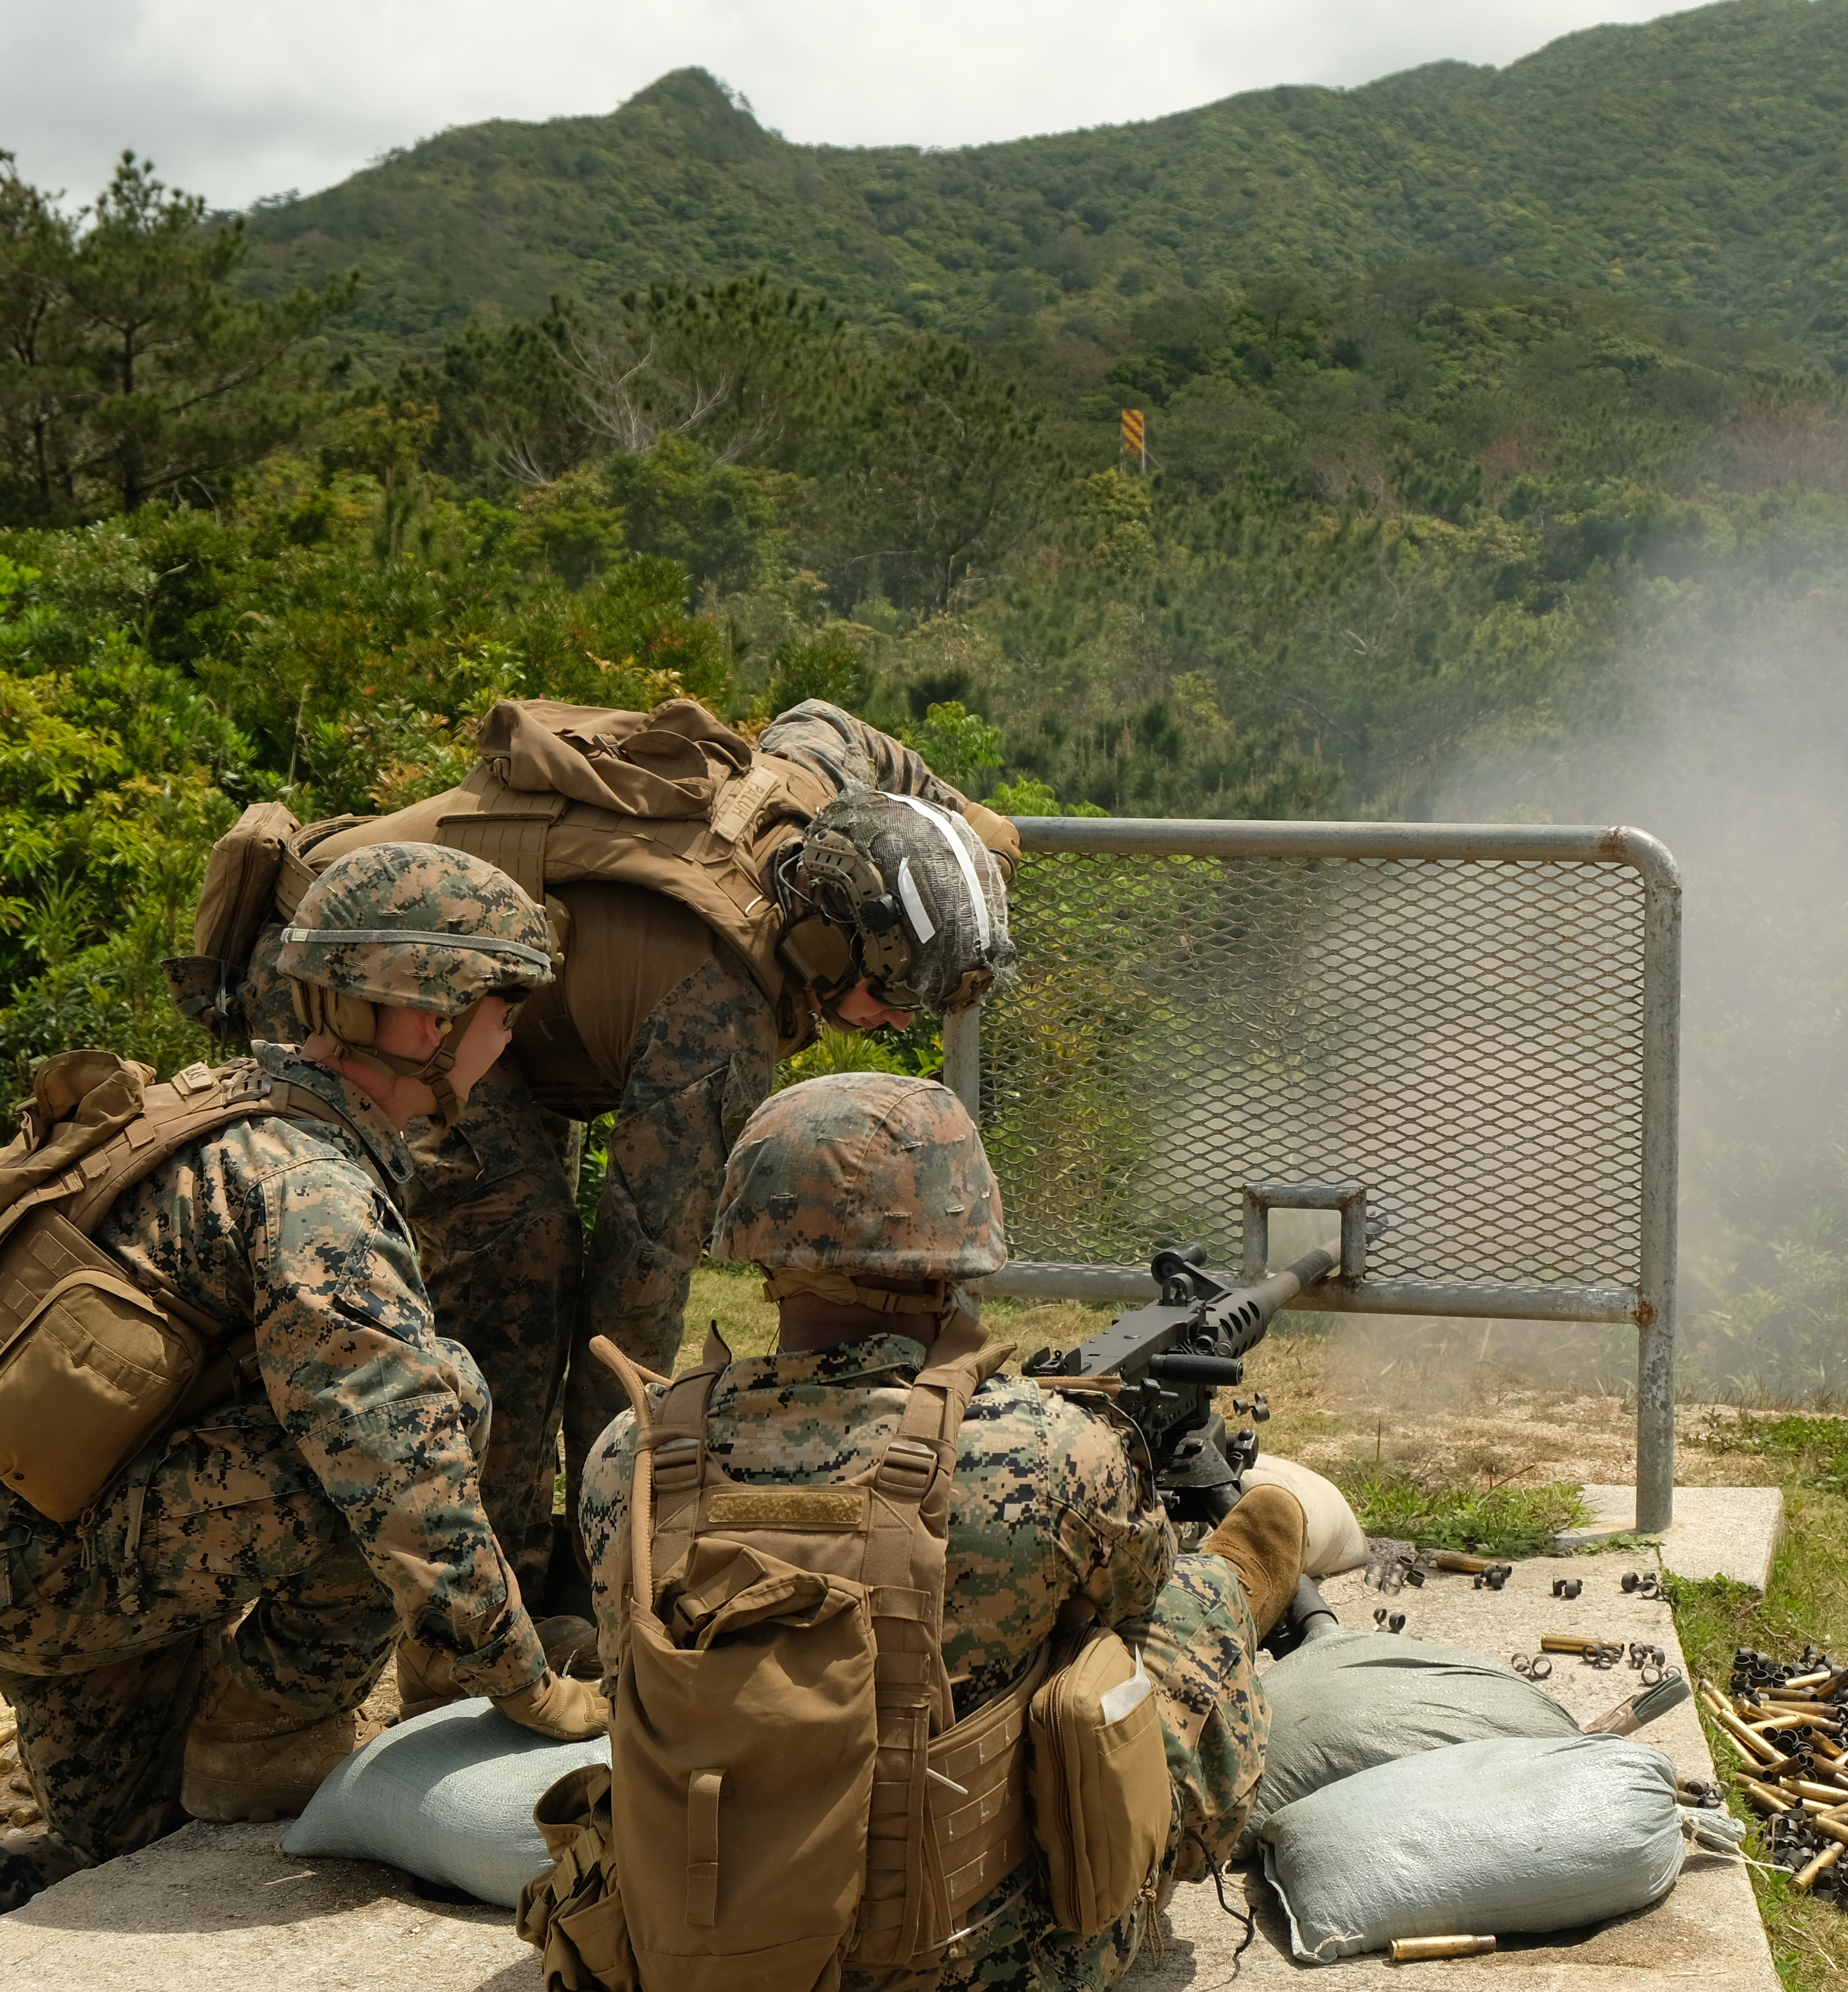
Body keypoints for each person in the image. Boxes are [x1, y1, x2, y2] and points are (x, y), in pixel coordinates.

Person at [201, 693, 1023, 1615]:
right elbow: (635, 1295)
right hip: (352, 975)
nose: (901, 1020)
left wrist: (978, 832)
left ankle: (542, 1556)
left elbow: (833, 719)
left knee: (533, 1249)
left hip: (484, 1003)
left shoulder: (809, 799)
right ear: (828, 937)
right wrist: (626, 1535)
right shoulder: (721, 1016)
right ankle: (509, 1583)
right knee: (524, 1266)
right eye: (892, 990)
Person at [574, 1072, 1299, 1989]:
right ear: (964, 1242)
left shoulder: (634, 1450)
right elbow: (1135, 1591)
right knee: (1192, 1602)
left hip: (682, 1949)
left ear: (755, 1243)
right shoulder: (1049, 1449)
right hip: (982, 1969)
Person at [0, 844, 609, 1913]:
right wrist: (522, 1681)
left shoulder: (229, 1102)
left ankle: (191, 1746)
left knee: (136, 1840)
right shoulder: (311, 1183)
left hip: (51, 1548)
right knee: (437, 1402)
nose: (509, 1037)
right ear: (430, 1020)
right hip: (51, 1574)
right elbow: (399, 1465)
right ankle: (260, 1733)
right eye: (504, 1009)